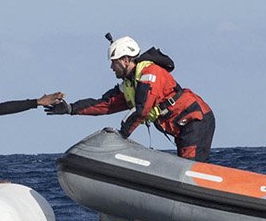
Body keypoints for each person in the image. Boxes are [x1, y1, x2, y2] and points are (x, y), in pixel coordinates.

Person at [54, 35, 216, 161]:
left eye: (114, 62)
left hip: (195, 119)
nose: (111, 67)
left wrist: (121, 135)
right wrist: (70, 108)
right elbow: (106, 104)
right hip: (183, 126)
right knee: (189, 163)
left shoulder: (150, 74)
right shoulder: (130, 84)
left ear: (125, 60)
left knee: (190, 166)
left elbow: (142, 109)